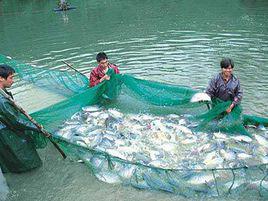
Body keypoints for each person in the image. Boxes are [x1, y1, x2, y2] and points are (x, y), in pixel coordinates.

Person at [0, 64, 42, 173]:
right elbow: (15, 121)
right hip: (7, 134)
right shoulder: (2, 100)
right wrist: (37, 127)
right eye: (11, 78)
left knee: (10, 160)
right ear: (1, 78)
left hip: (5, 133)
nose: (13, 81)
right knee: (27, 160)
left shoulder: (3, 93)